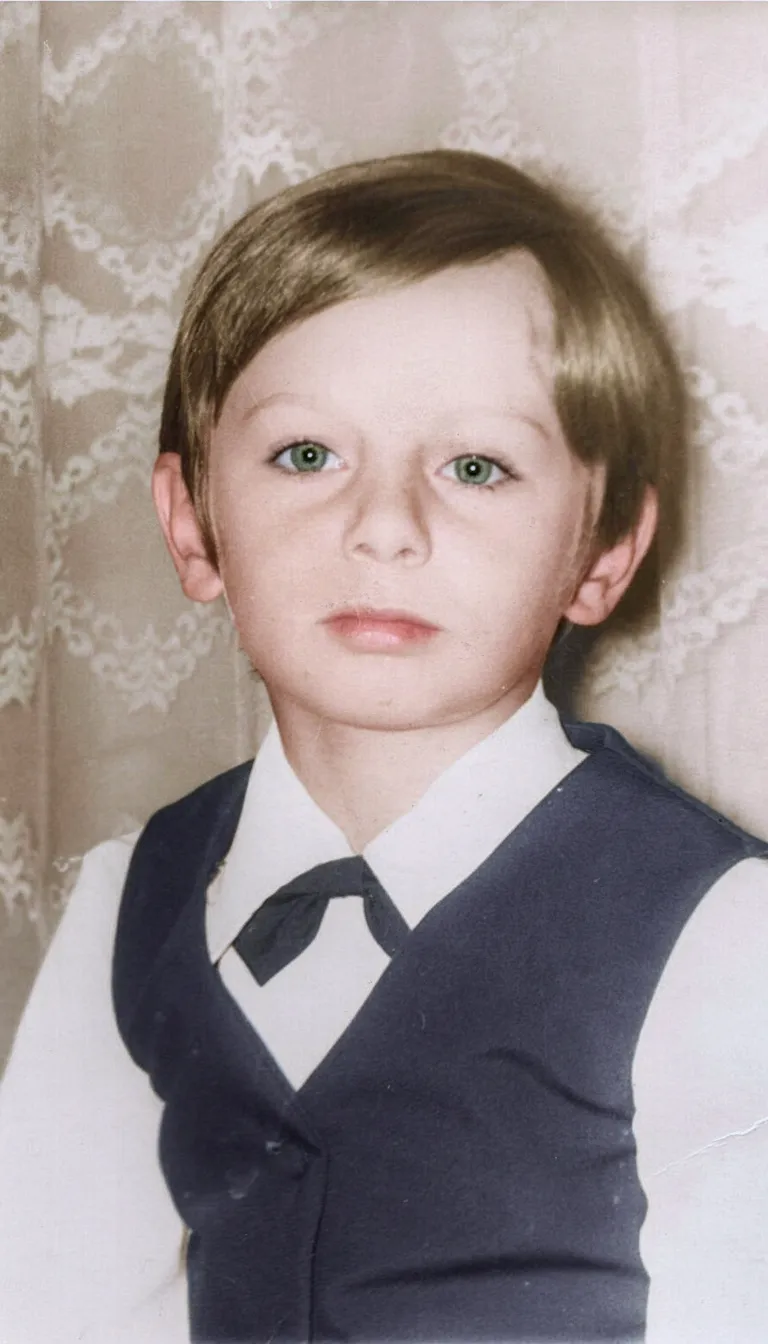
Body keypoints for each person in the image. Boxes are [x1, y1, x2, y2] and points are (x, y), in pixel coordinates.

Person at [1, 149, 768, 1344]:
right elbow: (54, 1306)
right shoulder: (128, 900)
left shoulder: (719, 929)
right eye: (307, 455)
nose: (384, 527)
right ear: (192, 524)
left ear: (604, 548)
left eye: (476, 467)